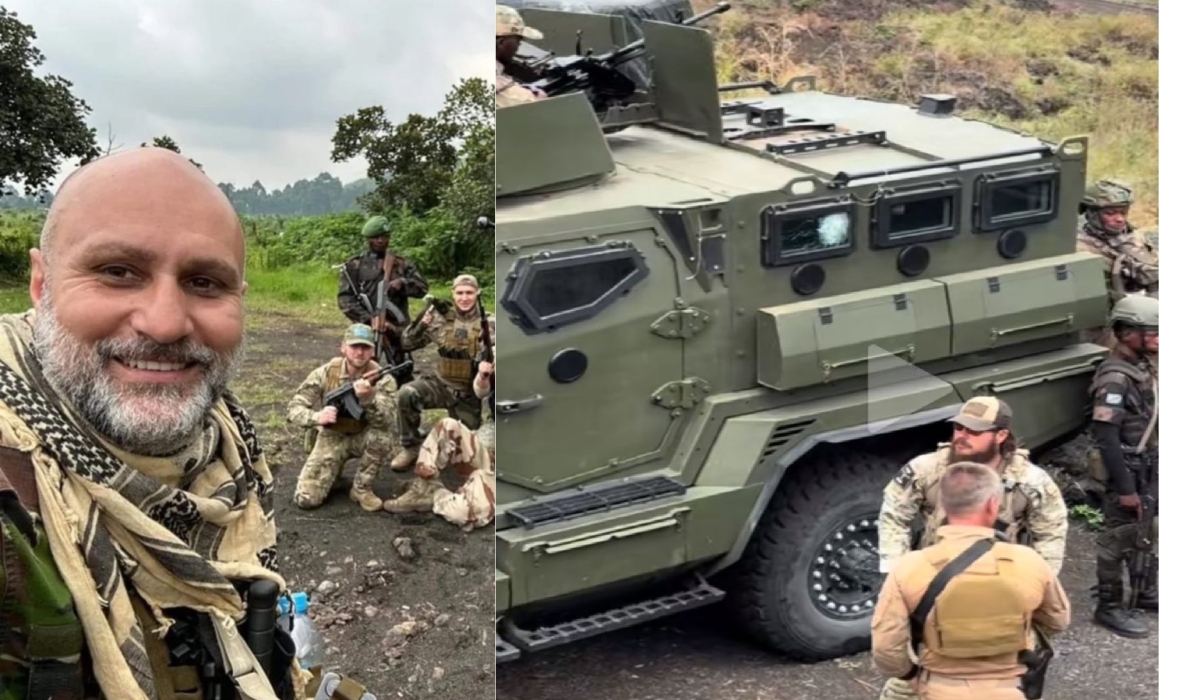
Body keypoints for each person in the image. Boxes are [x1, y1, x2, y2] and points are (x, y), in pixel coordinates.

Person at [0, 149, 300, 699]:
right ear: (41, 284)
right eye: (117, 272)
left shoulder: (227, 444)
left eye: (205, 282)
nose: (164, 323)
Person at [875, 397, 1068, 700]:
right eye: (959, 427)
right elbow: (894, 514)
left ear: (1001, 435)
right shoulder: (928, 469)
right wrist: (895, 570)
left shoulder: (1029, 481)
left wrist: (1036, 584)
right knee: (905, 683)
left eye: (974, 431)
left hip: (1001, 585)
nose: (961, 436)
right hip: (934, 583)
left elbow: (1051, 533)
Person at [1086, 294, 1158, 639]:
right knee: (1116, 540)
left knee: (1146, 530)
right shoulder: (1114, 378)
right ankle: (1109, 606)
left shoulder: (1141, 366)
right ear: (1128, 333)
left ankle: (1145, 592)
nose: (1159, 339)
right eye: (1152, 333)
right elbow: (1106, 438)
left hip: (1146, 466)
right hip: (1126, 470)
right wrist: (1126, 488)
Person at [286, 323, 399, 512]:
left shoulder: (383, 379)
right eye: (354, 346)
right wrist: (316, 416)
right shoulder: (326, 372)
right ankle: (332, 473)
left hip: (363, 435)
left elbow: (387, 421)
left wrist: (369, 400)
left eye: (365, 347)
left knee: (382, 437)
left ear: (373, 351)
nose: (359, 353)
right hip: (331, 436)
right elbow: (294, 408)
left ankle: (362, 488)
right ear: (343, 347)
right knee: (306, 500)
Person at [390, 274, 495, 471]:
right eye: (460, 293)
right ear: (453, 294)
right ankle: (410, 447)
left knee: (465, 458)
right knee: (407, 393)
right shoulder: (439, 319)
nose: (464, 298)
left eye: (469, 293)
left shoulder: (490, 324)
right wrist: (421, 325)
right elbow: (406, 344)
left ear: (478, 293)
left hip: (468, 394)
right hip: (440, 385)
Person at [383, 356, 495, 531]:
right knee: (448, 426)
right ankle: (422, 486)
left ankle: (434, 494)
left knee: (464, 513)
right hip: (498, 437)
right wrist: (483, 376)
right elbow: (482, 392)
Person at [336, 215, 428, 369]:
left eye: (384, 237)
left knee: (402, 369)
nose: (380, 241)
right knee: (363, 368)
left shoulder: (401, 264)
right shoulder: (355, 265)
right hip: (366, 329)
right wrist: (368, 319)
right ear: (368, 239)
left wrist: (403, 283)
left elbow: (422, 289)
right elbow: (345, 299)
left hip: (397, 328)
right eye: (376, 237)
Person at [1076, 179, 1158, 304]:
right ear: (1092, 213)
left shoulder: (1133, 236)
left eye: (1123, 212)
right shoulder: (1081, 250)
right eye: (1110, 213)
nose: (1120, 219)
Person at [496, 5, 549, 108]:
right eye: (518, 39)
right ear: (501, 42)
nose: (520, 44)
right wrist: (534, 100)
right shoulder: (523, 99)